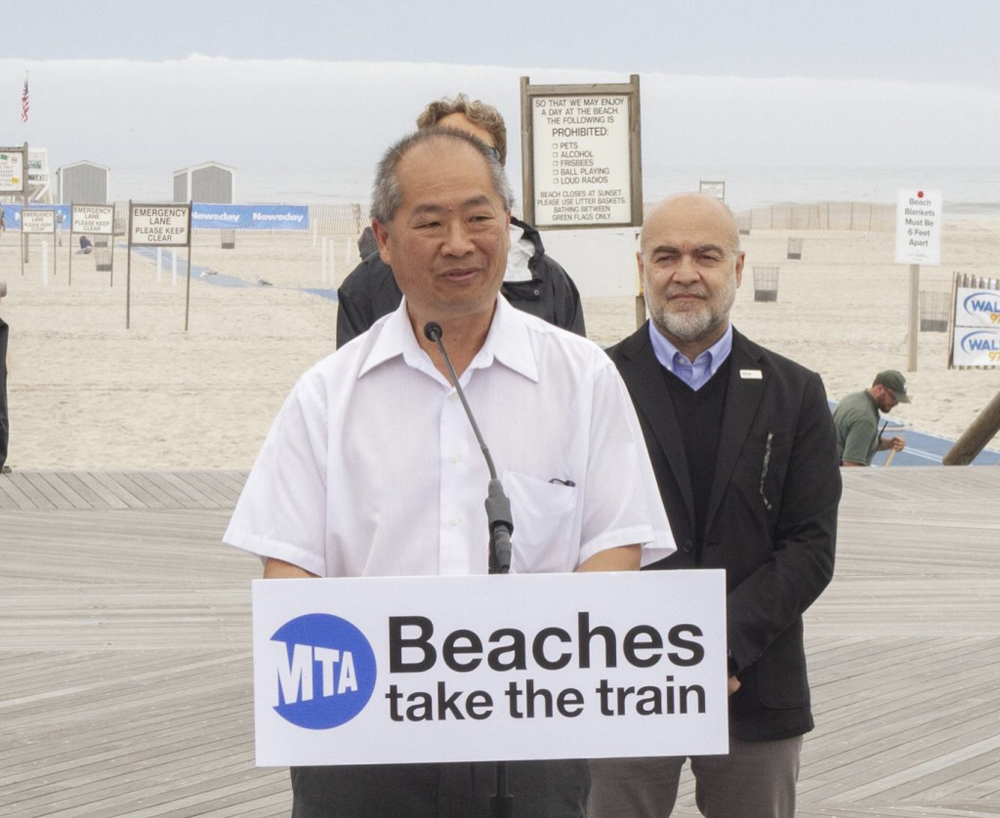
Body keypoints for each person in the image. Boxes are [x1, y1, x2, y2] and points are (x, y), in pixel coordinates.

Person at [224, 128, 674, 818]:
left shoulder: (582, 378)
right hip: (363, 747)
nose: (459, 243)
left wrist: (528, 674)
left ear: (510, 225)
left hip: (533, 740)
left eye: (479, 217)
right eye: (430, 223)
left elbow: (617, 543)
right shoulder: (326, 395)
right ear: (383, 237)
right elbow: (289, 571)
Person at [587, 193, 842, 818]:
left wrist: (715, 647)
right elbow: (573, 532)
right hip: (622, 680)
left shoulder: (796, 391)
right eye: (666, 256)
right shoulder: (593, 381)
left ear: (738, 267)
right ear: (641, 267)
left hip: (754, 684)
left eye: (706, 255)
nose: (685, 273)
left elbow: (810, 546)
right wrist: (661, 651)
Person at [336, 93, 585, 348]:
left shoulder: (550, 283)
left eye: (481, 153)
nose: (458, 246)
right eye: (447, 147)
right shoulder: (367, 286)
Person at [832, 370, 910, 466]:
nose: (896, 403)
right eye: (894, 397)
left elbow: (861, 440)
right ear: (879, 389)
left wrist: (890, 443)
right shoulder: (865, 419)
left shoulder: (853, 398)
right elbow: (851, 466)